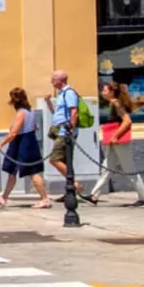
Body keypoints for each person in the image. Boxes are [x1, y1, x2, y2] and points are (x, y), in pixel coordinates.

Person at [88, 82, 144, 207]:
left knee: (129, 168)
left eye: (105, 90)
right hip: (113, 140)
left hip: (119, 141)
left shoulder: (116, 103)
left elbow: (127, 121)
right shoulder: (113, 103)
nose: (102, 92)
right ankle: (94, 195)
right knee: (106, 168)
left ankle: (143, 197)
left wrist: (116, 135)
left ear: (111, 92)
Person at [0, 87, 49, 209]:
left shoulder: (21, 113)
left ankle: (45, 198)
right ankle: (4, 197)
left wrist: (0, 145)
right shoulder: (31, 112)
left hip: (23, 143)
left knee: (32, 172)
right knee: (12, 171)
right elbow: (35, 127)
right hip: (28, 141)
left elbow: (13, 133)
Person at [48, 69, 85, 199]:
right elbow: (57, 113)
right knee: (65, 161)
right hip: (61, 131)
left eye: (53, 78)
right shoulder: (61, 94)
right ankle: (70, 191)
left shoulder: (69, 93)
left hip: (65, 132)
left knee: (54, 159)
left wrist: (70, 129)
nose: (51, 81)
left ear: (60, 80)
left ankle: (74, 184)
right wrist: (48, 102)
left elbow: (74, 112)